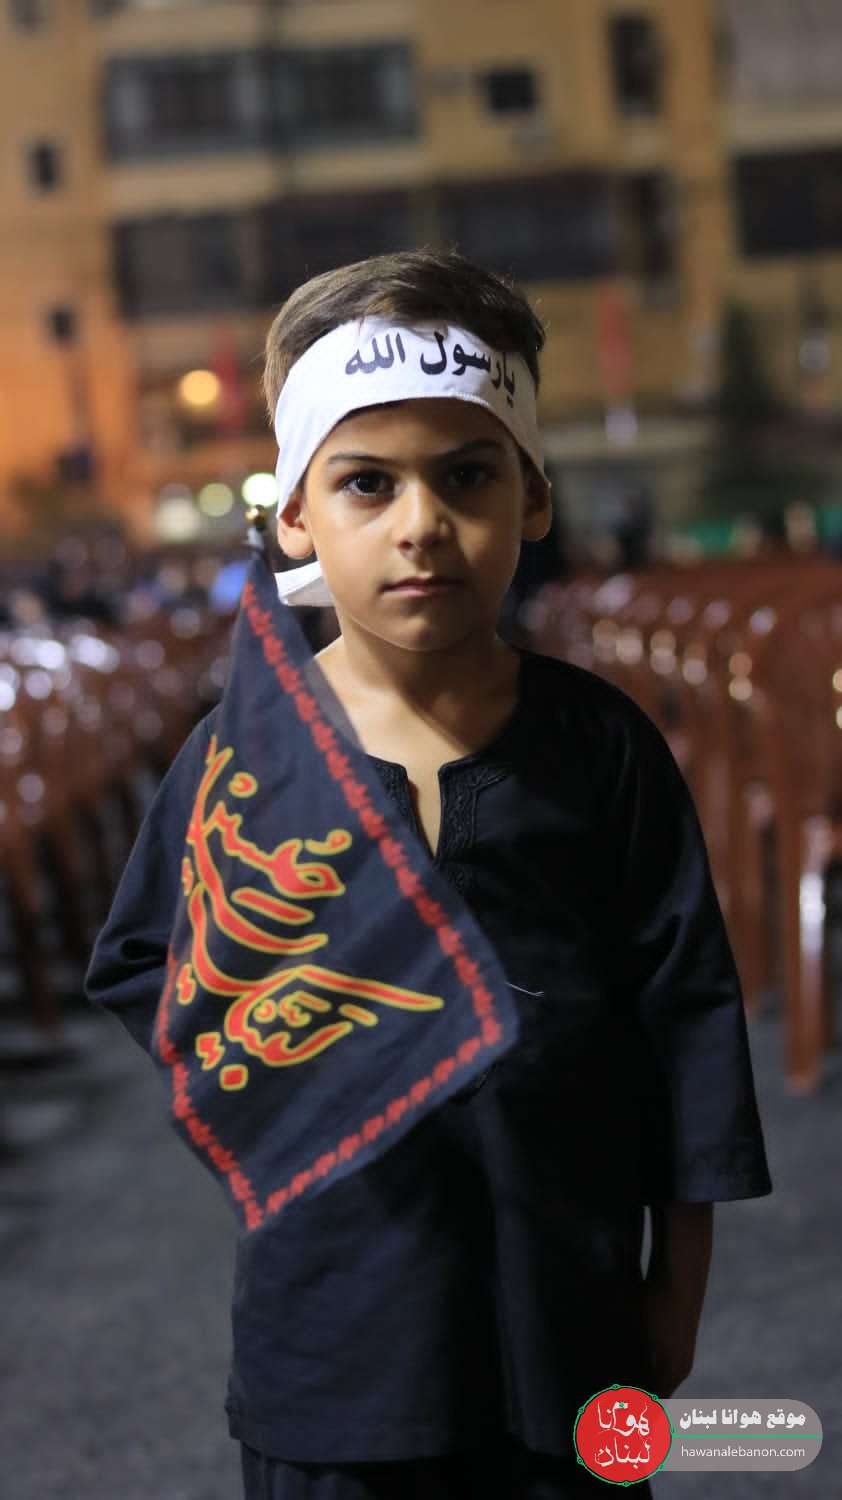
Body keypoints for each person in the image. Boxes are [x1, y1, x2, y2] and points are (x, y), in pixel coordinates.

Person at [86, 249, 771, 1499]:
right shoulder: (246, 754)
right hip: (329, 1340)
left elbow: (687, 1027)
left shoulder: (599, 748)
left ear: (531, 496)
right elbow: (146, 961)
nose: (419, 524)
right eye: (365, 482)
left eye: (464, 475)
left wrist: (674, 1292)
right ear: (295, 516)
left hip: (565, 1317)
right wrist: (293, 1058)